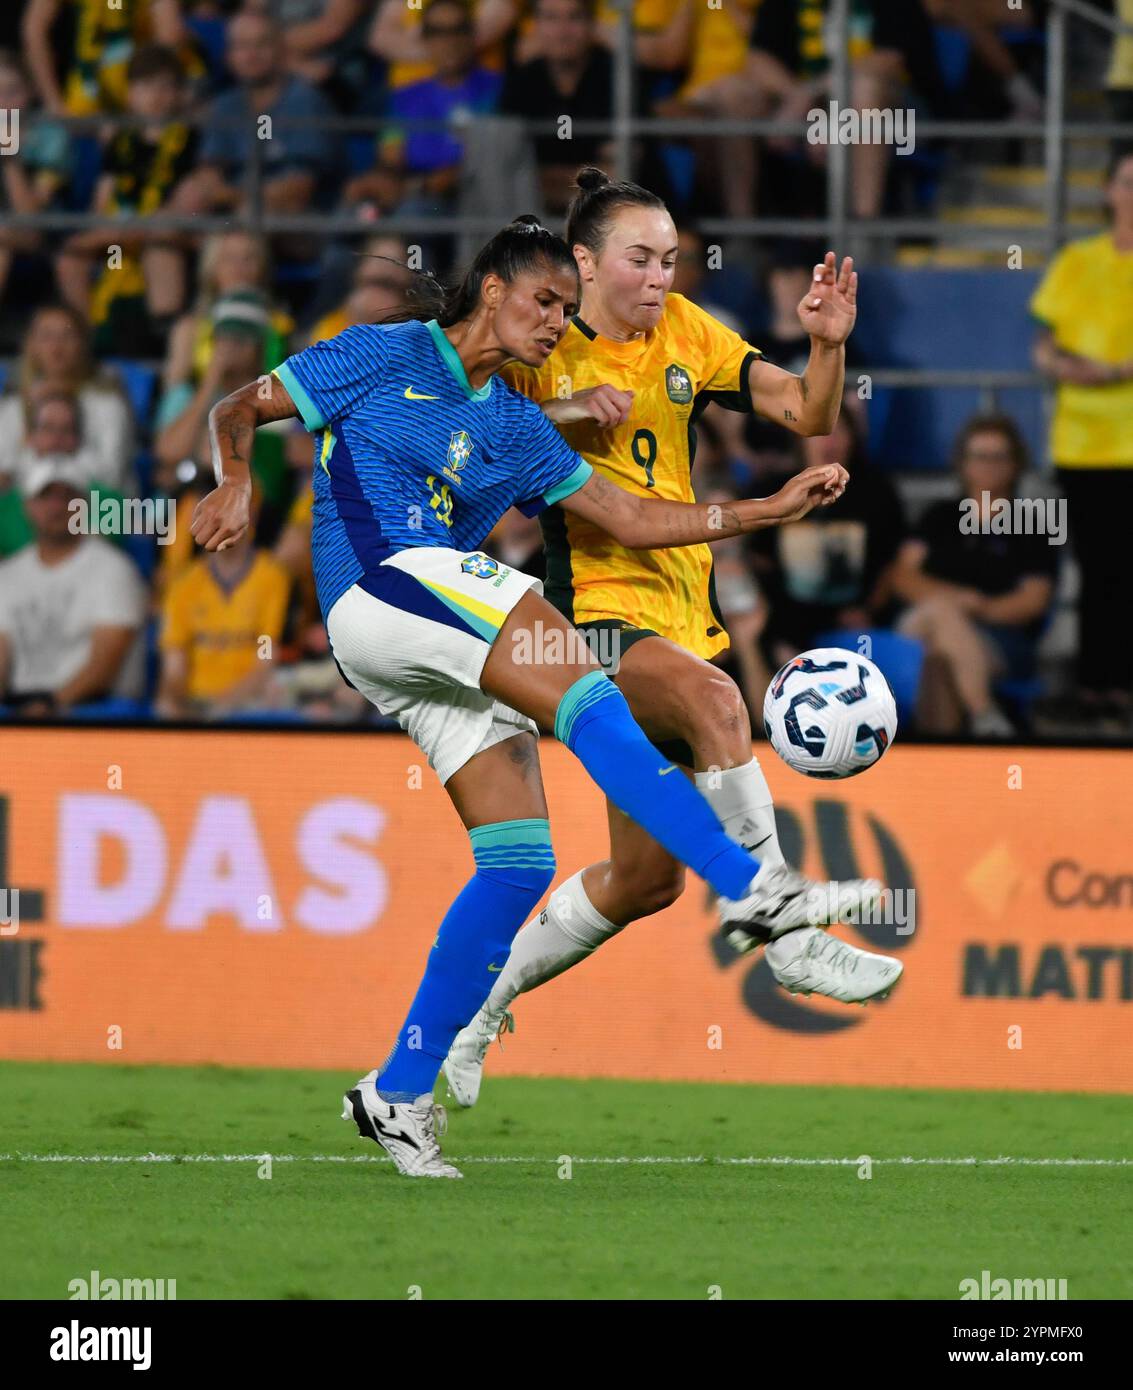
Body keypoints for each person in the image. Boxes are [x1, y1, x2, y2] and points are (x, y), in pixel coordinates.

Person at [191, 217, 896, 1176]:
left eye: (567, 309)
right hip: (382, 577)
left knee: (519, 862)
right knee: (585, 691)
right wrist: (234, 480)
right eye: (545, 304)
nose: (556, 323)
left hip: (416, 642)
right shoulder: (382, 352)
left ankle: (396, 1092)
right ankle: (757, 894)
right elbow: (239, 403)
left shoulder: (516, 423)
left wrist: (764, 511)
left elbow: (635, 518)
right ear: (492, 292)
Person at [443, 170, 893, 1110]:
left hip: (682, 618)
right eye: (640, 258)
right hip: (586, 620)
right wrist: (560, 416)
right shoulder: (539, 352)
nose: (657, 276)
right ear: (584, 262)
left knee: (642, 882)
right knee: (717, 701)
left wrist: (823, 348)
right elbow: (479, 445)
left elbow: (804, 415)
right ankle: (792, 940)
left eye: (669, 259)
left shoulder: (686, 330)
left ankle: (473, 1012)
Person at [1031, 149, 1133, 726]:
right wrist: (1067, 367)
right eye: (1126, 182)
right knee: (1098, 570)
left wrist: (1116, 372)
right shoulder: (1077, 259)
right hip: (1083, 445)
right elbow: (1044, 343)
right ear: (1107, 190)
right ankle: (1098, 687)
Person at [891, 414, 1057, 738]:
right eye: (980, 456)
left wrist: (977, 608)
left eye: (999, 456)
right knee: (940, 613)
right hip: (921, 621)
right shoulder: (938, 516)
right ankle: (986, 717)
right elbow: (902, 576)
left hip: (1000, 638)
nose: (989, 465)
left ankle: (940, 768)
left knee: (938, 663)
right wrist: (954, 601)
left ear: (1015, 463)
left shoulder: (1031, 524)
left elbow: (1033, 601)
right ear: (963, 462)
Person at [55, 44, 200, 352]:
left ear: (179, 93)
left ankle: (165, 340)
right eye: (147, 86)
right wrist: (109, 232)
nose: (157, 96)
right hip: (119, 236)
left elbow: (184, 208)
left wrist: (126, 230)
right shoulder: (120, 142)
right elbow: (102, 202)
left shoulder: (191, 139)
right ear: (131, 94)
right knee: (70, 257)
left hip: (167, 236)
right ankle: (86, 341)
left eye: (166, 86)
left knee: (159, 244)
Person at [0, 460, 146, 717]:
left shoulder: (114, 569)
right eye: (45, 496)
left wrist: (47, 707)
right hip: (21, 706)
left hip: (92, 711)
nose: (56, 507)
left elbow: (103, 667)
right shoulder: (8, 575)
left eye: (67, 497)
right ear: (27, 506)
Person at [157, 489, 293, 721]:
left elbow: (265, 657)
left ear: (251, 514)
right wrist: (175, 702)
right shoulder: (184, 585)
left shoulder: (272, 578)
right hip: (197, 702)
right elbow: (175, 664)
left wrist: (224, 706)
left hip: (249, 703)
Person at [0, 304, 135, 490]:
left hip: (96, 508)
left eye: (67, 336)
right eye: (46, 336)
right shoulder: (13, 406)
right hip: (27, 509)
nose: (56, 346)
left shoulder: (108, 404)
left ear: (83, 343)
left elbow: (113, 474)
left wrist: (65, 452)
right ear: (31, 345)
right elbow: (4, 473)